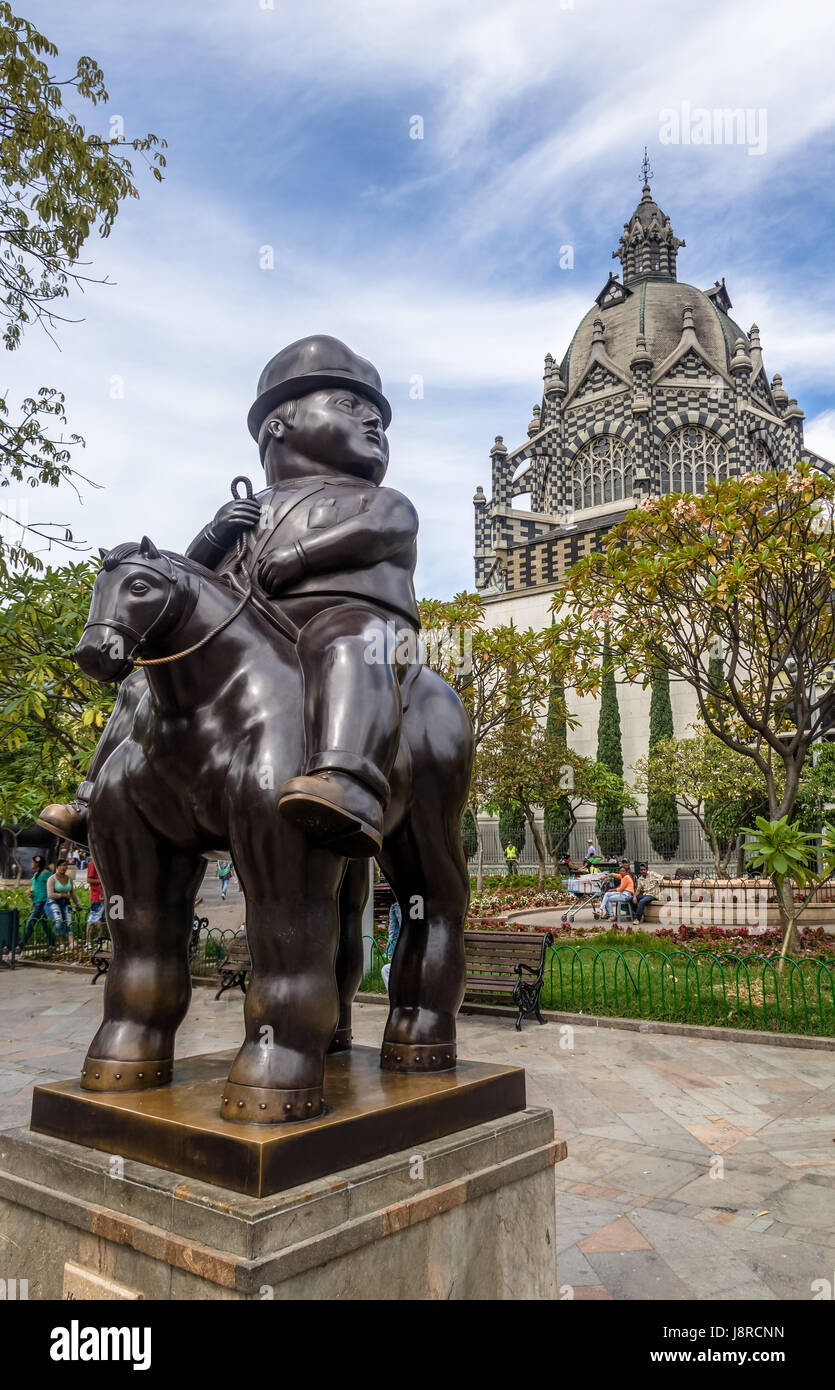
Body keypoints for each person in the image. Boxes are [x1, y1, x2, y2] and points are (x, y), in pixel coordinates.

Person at [36, 336, 420, 863]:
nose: (373, 421)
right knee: (142, 687)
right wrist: (216, 536)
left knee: (347, 641)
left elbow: (387, 528)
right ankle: (91, 798)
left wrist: (302, 556)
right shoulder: (248, 510)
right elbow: (188, 581)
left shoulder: (378, 499)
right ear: (277, 427)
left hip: (353, 624)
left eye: (378, 413)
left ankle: (348, 779)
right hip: (261, 635)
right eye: (350, 405)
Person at [17, 854, 54, 953]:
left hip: (42, 902)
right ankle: (52, 944)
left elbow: (52, 883)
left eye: (33, 862)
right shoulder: (35, 874)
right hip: (36, 902)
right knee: (44, 923)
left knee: (30, 922)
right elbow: (34, 887)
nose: (31, 864)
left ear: (38, 863)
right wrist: (29, 891)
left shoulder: (46, 873)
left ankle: (20, 945)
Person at [46, 858, 82, 950]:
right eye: (61, 865)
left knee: (69, 921)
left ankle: (71, 942)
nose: (63, 867)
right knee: (59, 920)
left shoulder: (69, 879)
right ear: (57, 867)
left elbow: (72, 893)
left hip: (66, 902)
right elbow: (50, 894)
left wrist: (77, 904)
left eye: (65, 865)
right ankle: (61, 943)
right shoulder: (52, 879)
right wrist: (61, 895)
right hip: (53, 902)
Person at [84, 858, 106, 949]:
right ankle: (87, 942)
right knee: (92, 919)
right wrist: (103, 881)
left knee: (103, 921)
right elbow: (89, 879)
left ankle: (99, 940)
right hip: (97, 896)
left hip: (105, 897)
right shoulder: (93, 863)